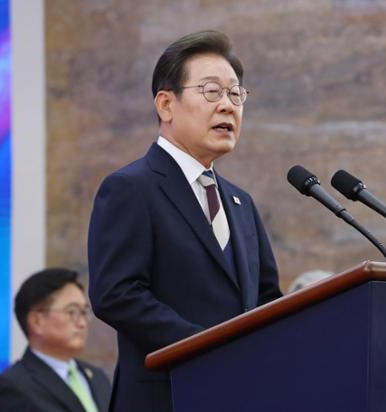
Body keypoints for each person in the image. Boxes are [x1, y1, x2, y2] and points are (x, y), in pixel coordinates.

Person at [87, 30, 282, 412]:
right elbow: (117, 294)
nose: (227, 106)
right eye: (211, 91)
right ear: (166, 105)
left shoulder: (241, 202)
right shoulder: (131, 188)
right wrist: (207, 346)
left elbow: (267, 299)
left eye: (236, 94)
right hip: (165, 397)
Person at [0, 268, 111, 412]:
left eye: (84, 312)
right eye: (72, 311)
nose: (82, 323)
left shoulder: (98, 378)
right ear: (37, 321)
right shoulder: (11, 387)